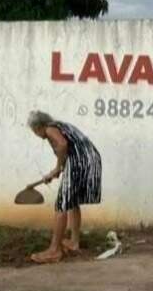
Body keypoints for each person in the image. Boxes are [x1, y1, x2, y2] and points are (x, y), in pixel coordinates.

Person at [26, 110, 103, 264]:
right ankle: (74, 242)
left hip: (80, 163)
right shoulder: (61, 126)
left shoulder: (49, 128)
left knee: (61, 204)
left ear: (38, 127)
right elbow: (67, 150)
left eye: (34, 130)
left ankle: (54, 251)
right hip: (91, 160)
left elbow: (62, 145)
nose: (36, 134)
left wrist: (57, 168)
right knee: (72, 202)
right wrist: (57, 170)